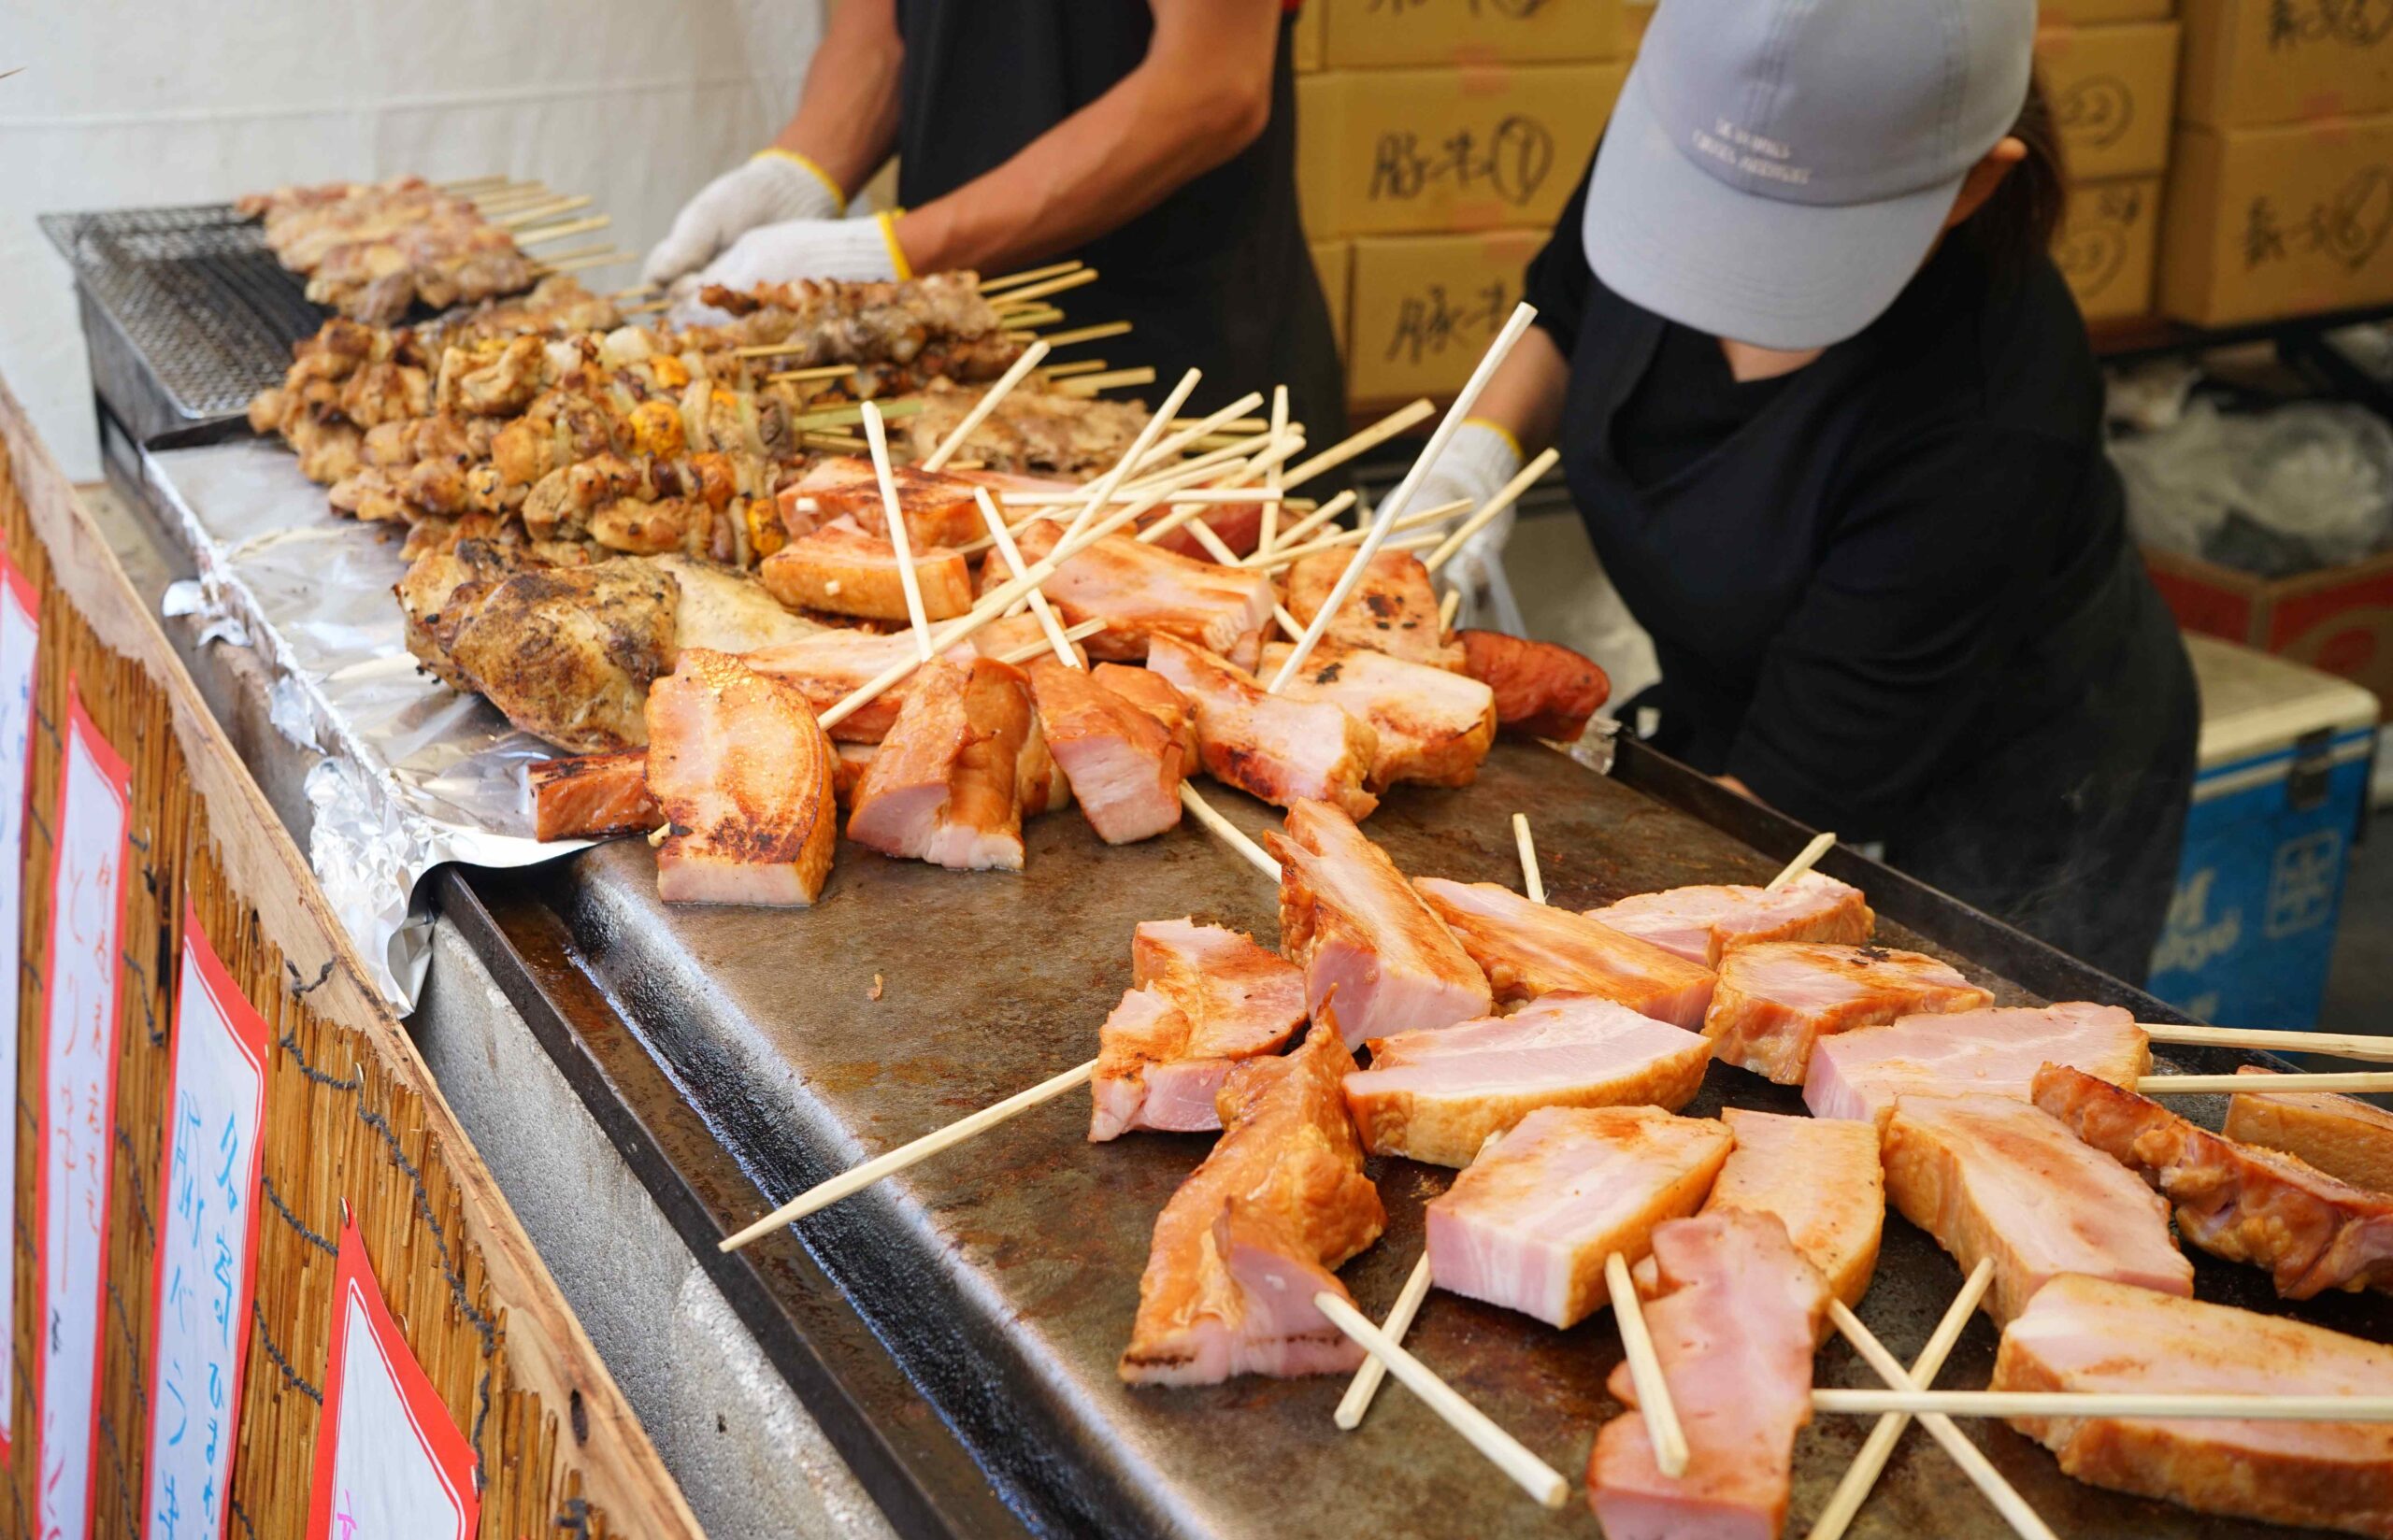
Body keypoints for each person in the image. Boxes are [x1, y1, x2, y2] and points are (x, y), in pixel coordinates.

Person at [1413, 0, 2196, 983]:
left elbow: (1790, 783)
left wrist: (1558, 947)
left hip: (2004, 764)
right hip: (1748, 687)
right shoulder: (1697, 123)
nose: (1723, 281)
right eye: (1710, 207)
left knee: (1960, 1056)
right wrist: (1466, 462)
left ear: (1973, 184)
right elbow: (1565, 303)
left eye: (1793, 237)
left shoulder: (1995, 419)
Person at [643, 0, 1344, 442]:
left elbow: (1210, 86)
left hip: (1177, 361)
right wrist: (798, 175)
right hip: (951, 366)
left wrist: (890, 251)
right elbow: (882, 36)